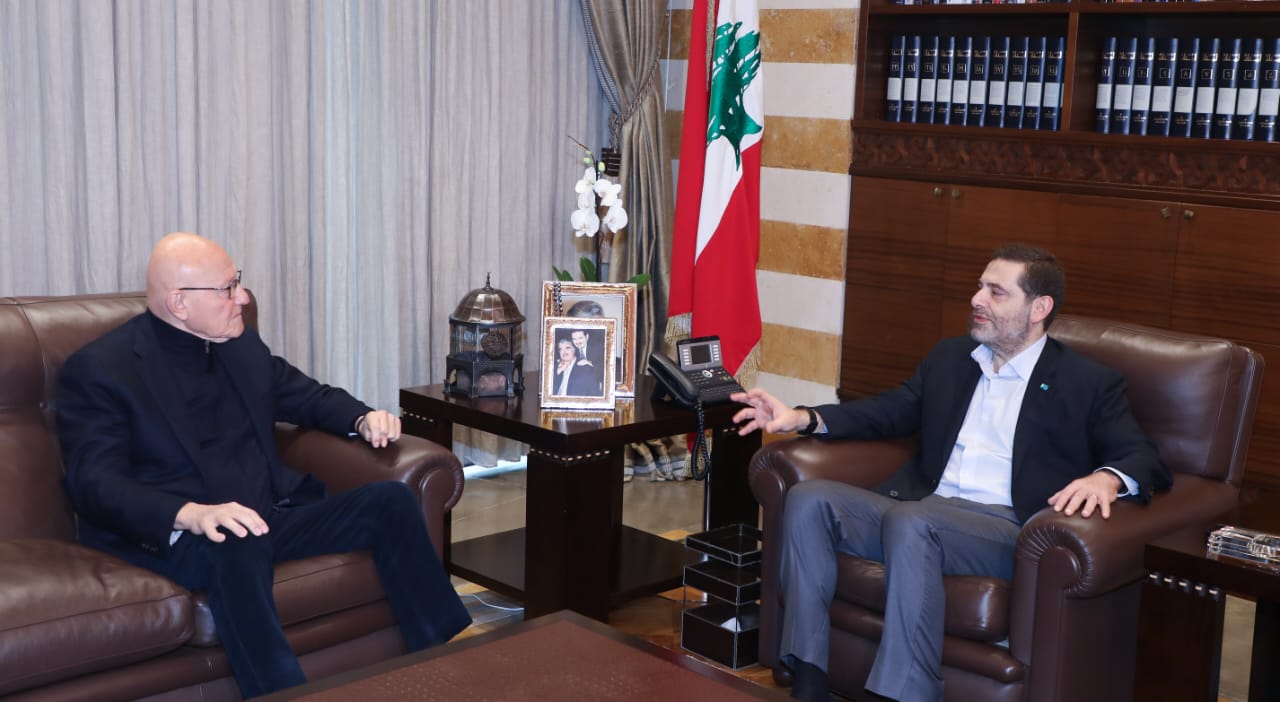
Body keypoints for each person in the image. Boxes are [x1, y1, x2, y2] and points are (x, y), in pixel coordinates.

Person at [731, 244, 1170, 702]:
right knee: (809, 500)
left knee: (913, 522)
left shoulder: (1085, 381)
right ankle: (808, 676)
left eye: (996, 292)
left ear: (1039, 308)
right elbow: (890, 410)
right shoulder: (952, 358)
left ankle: (905, 694)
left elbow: (1143, 456)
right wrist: (802, 417)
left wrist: (1107, 478)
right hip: (925, 509)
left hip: (1004, 528)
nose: (977, 299)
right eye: (980, 287)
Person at [57, 232, 471, 698]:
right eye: (228, 288)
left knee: (390, 502)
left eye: (237, 282)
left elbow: (306, 396)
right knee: (238, 538)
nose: (243, 298)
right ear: (179, 302)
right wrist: (190, 514)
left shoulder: (238, 345)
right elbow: (94, 482)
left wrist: (362, 418)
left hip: (267, 516)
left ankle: (445, 665)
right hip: (182, 536)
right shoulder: (103, 369)